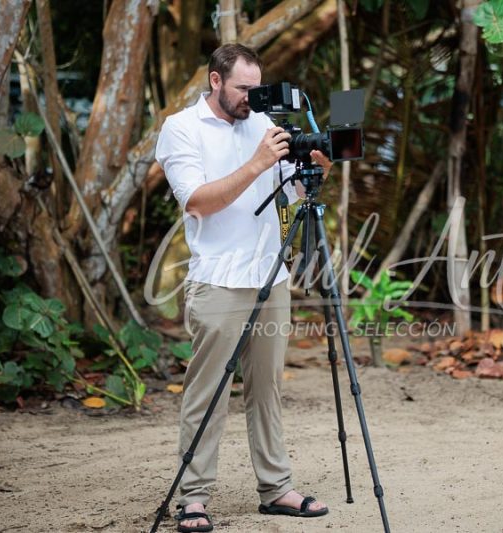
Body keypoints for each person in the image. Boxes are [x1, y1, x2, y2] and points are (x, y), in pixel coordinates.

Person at [155, 43, 332, 533]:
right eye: (243, 89)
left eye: (258, 88)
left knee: (268, 389)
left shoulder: (262, 123)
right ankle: (193, 497)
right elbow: (196, 201)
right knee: (207, 391)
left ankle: (276, 489)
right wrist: (256, 162)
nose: (252, 99)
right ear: (215, 81)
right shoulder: (181, 129)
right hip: (218, 279)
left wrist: (318, 166)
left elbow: (296, 193)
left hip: (270, 277)